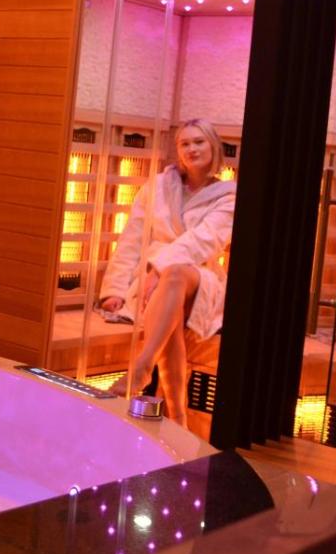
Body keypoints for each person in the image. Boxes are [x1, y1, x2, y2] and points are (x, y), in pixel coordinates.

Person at [97, 118, 236, 427]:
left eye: (198, 142)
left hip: (200, 276)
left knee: (174, 275)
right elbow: (133, 238)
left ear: (213, 146)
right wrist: (115, 289)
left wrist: (159, 270)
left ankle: (142, 368)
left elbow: (204, 241)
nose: (191, 149)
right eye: (184, 143)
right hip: (157, 279)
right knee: (170, 316)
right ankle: (177, 418)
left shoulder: (229, 196)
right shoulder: (157, 187)